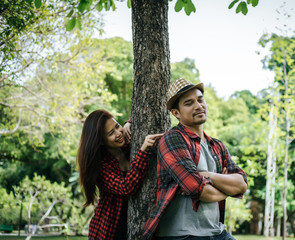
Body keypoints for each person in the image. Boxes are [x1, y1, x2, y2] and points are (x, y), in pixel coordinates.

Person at [143, 78, 248, 240]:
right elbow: (198, 190)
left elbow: (241, 184)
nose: (198, 106)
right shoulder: (172, 140)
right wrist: (227, 189)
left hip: (216, 232)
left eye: (200, 99)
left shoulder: (217, 145)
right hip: (181, 235)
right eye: (189, 103)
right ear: (176, 113)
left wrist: (207, 175)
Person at [77, 109, 163, 240]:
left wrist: (129, 123)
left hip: (132, 222)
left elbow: (141, 117)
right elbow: (126, 187)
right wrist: (143, 150)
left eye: (117, 126)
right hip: (110, 229)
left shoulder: (127, 147)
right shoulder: (101, 166)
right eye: (111, 133)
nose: (118, 133)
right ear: (101, 141)